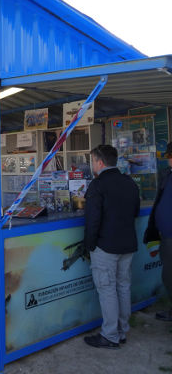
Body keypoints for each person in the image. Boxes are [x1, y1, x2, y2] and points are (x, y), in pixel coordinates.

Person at [83, 145, 140, 349]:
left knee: (107, 290)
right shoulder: (129, 183)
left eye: (92, 161)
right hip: (127, 244)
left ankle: (109, 335)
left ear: (99, 162)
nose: (92, 165)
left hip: (105, 246)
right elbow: (135, 212)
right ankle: (122, 331)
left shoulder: (98, 185)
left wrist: (89, 246)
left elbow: (93, 221)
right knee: (123, 287)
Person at [144, 141, 172, 321]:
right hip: (165, 235)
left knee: (170, 275)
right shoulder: (167, 175)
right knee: (168, 275)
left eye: (170, 156)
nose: (169, 160)